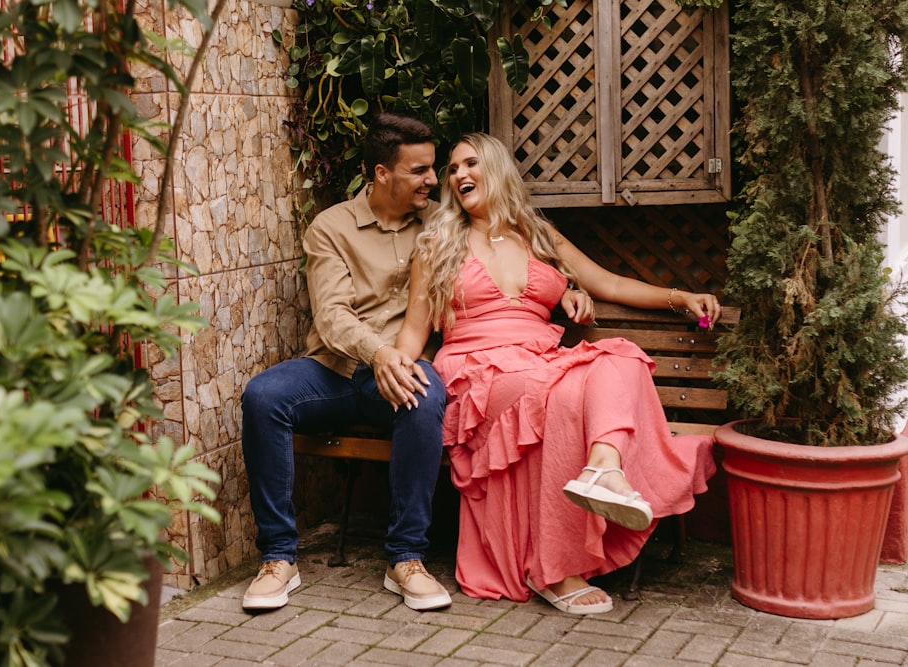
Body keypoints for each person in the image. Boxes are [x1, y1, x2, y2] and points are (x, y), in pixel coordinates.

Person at [386, 132, 721, 614]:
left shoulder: (537, 235)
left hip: (540, 358)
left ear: (498, 168)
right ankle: (557, 570)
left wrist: (679, 296)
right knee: (557, 395)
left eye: (470, 163)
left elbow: (605, 282)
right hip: (478, 371)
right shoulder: (437, 244)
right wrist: (398, 365)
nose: (458, 175)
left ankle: (604, 470)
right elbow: (416, 327)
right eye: (453, 169)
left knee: (619, 357)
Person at [240, 113, 452, 612]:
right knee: (263, 396)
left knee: (424, 398)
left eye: (432, 169)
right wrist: (377, 352)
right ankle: (277, 557)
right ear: (382, 173)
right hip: (336, 371)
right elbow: (331, 315)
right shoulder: (331, 227)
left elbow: (511, 248)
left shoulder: (442, 221)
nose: (432, 180)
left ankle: (406, 558)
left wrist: (569, 286)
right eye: (419, 170)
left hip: (401, 373)